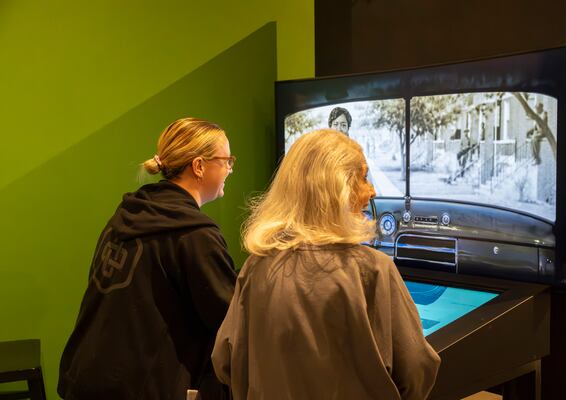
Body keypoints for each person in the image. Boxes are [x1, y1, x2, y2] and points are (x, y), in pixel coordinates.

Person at [212, 129, 440, 400]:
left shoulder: (256, 267)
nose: (372, 191)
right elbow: (416, 367)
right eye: (363, 178)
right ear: (338, 188)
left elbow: (225, 361)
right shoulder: (373, 270)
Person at [58, 118, 237, 400]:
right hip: (141, 388)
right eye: (226, 160)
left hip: (85, 376)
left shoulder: (127, 215)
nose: (229, 169)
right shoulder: (194, 234)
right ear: (199, 166)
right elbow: (229, 321)